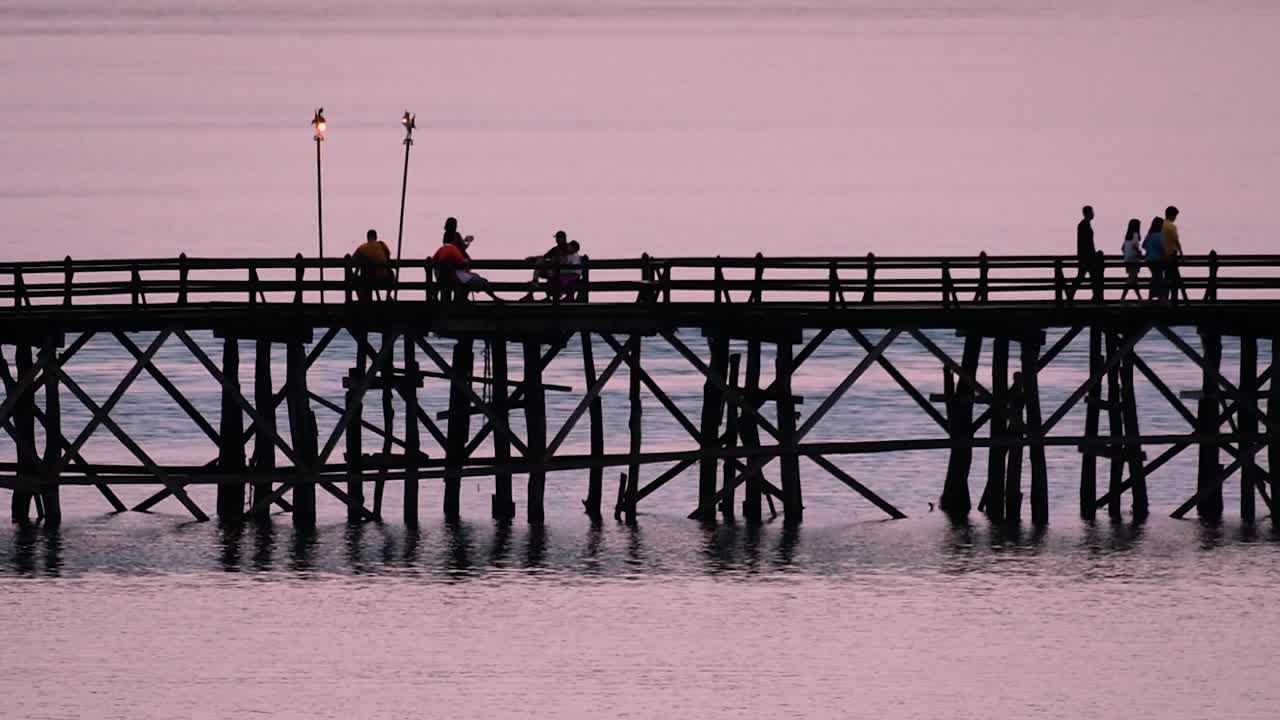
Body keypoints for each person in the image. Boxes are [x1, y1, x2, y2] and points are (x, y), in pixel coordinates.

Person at [431, 223, 502, 302]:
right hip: (457, 276)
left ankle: (457, 301)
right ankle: (495, 298)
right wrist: (467, 247)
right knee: (480, 281)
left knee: (455, 291)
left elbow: (433, 261)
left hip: (446, 279)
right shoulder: (453, 248)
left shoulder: (442, 249)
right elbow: (463, 262)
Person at [352, 228, 393, 301]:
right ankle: (388, 295)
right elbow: (388, 256)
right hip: (383, 276)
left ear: (367, 237)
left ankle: (364, 299)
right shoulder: (382, 245)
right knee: (392, 273)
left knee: (358, 276)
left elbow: (353, 261)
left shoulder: (362, 248)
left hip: (368, 278)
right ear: (376, 237)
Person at [1070, 205, 1099, 301]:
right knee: (1087, 276)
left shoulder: (1084, 224)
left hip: (1086, 256)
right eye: (1092, 212)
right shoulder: (1084, 225)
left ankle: (1095, 296)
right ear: (1088, 213)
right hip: (1087, 256)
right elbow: (1087, 242)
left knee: (1089, 276)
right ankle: (1071, 293)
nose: (1093, 214)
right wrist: (1092, 254)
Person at [1162, 205, 1188, 303]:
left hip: (1164, 255)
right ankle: (1173, 300)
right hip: (1172, 255)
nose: (1175, 218)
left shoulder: (1162, 225)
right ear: (1172, 215)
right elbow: (1176, 241)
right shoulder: (1172, 227)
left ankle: (1167, 299)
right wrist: (1182, 254)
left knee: (1169, 277)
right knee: (1174, 279)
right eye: (1175, 215)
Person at [1119, 218, 1143, 300]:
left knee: (1134, 279)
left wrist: (1127, 255)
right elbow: (1135, 245)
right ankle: (1122, 298)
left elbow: (1122, 248)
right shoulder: (1135, 234)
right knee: (1131, 279)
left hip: (1127, 259)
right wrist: (1140, 254)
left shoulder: (1127, 237)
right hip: (1134, 259)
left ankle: (1140, 298)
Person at [1142, 216, 1165, 300]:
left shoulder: (1149, 235)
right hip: (1158, 260)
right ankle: (1160, 297)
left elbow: (1143, 245)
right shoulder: (1161, 235)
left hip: (1148, 260)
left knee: (1155, 277)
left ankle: (1152, 297)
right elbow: (1163, 248)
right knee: (1159, 278)